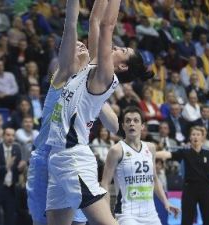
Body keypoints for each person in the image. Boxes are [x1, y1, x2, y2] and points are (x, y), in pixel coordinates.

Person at [45, 0, 152, 224]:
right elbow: (94, 20)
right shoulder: (94, 64)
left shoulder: (106, 76)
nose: (117, 47)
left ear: (122, 66)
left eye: (123, 50)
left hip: (72, 157)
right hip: (57, 157)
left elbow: (107, 25)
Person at [26, 0, 120, 225]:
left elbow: (115, 126)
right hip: (46, 158)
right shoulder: (63, 74)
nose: (79, 45)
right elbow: (72, 24)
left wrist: (99, 101)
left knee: (79, 223)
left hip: (73, 157)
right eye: (75, 45)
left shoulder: (90, 89)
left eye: (83, 46)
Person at [101, 106, 179, 225]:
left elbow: (154, 179)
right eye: (128, 121)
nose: (132, 123)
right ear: (123, 126)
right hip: (127, 214)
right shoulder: (116, 150)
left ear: (142, 126)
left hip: (150, 213)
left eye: (136, 120)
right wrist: (106, 215)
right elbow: (105, 183)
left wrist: (166, 202)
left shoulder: (151, 148)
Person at [156, 126, 209, 225]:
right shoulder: (185, 152)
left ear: (202, 137)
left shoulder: (208, 154)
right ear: (190, 137)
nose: (195, 137)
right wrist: (150, 153)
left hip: (205, 190)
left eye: (198, 135)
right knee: (186, 220)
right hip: (189, 190)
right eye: (193, 134)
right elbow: (167, 154)